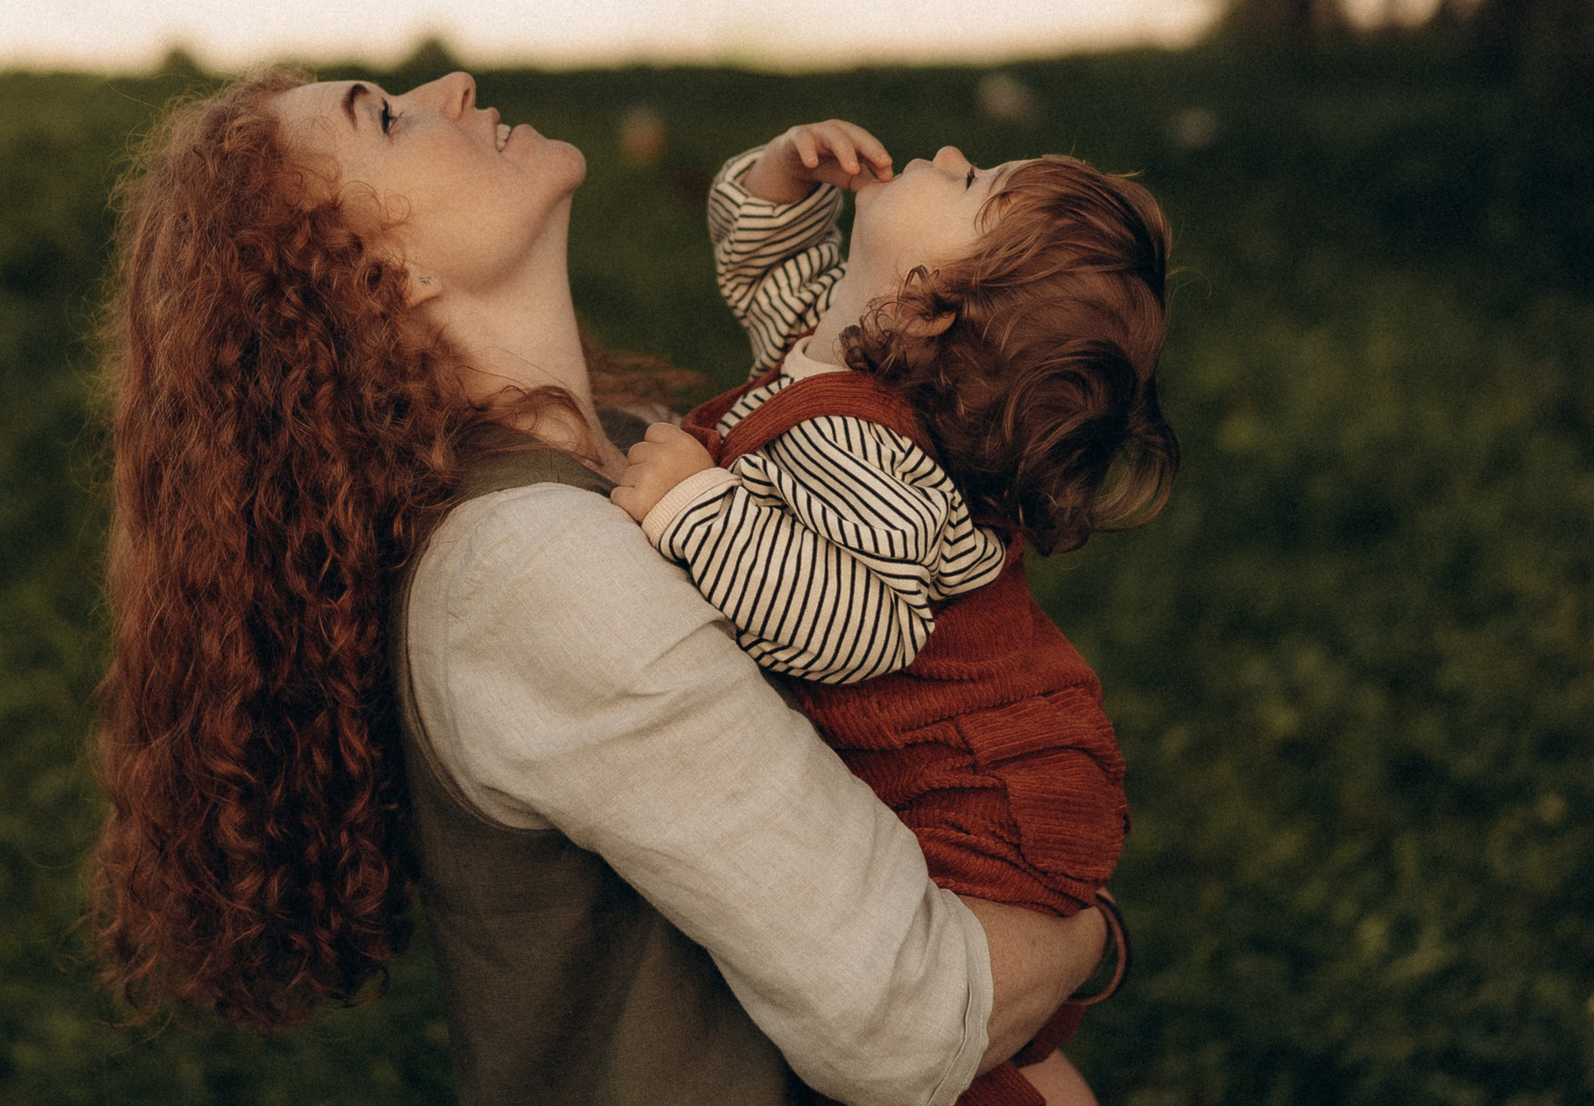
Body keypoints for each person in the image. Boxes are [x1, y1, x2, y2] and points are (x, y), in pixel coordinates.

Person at [89, 68, 1110, 1106]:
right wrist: (1088, 933)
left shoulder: (622, 456)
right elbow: (908, 1016)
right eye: (389, 117)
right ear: (383, 276)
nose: (450, 83)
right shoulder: (535, 567)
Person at [610, 120, 1178, 1106]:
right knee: (955, 1025)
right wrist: (783, 182)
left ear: (934, 309)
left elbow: (857, 626)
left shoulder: (873, 450)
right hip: (958, 774)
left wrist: (690, 508)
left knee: (913, 1027)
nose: (953, 154)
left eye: (973, 188)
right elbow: (765, 275)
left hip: (980, 790)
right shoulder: (838, 347)